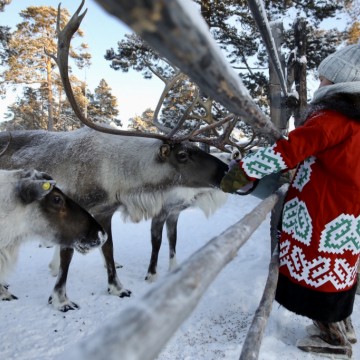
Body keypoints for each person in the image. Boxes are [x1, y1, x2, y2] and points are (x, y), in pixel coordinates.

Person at [220, 44, 360, 358]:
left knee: (315, 282)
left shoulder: (333, 119)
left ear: (342, 85)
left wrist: (243, 171)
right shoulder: (355, 123)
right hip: (345, 219)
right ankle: (344, 328)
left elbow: (288, 150)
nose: (320, 84)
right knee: (335, 277)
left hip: (320, 217)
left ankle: (333, 341)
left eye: (325, 79)